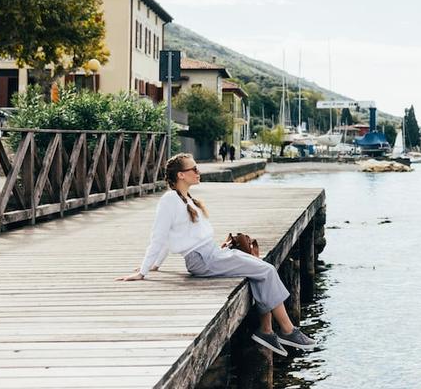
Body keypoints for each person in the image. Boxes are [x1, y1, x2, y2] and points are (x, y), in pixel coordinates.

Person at [116, 153, 315, 356]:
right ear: (181, 175)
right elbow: (159, 237)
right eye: (193, 169)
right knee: (267, 269)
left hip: (211, 254)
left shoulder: (186, 199)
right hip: (202, 260)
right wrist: (143, 271)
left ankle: (267, 330)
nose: (197, 171)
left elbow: (170, 238)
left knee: (261, 268)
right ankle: (288, 330)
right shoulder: (169, 201)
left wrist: (155, 265)